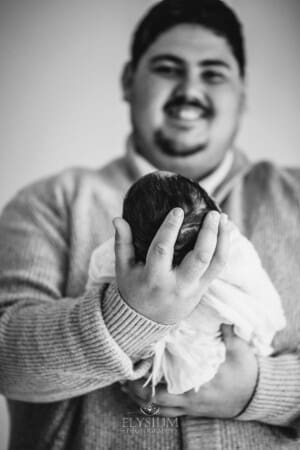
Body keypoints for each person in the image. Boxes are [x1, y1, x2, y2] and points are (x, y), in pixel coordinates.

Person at [1, 0, 300, 449]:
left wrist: (260, 388)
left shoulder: (295, 198)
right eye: (168, 68)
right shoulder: (51, 201)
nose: (189, 90)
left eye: (214, 73)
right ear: (128, 81)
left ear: (242, 93)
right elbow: (6, 359)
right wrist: (130, 317)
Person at [86, 171, 286, 396]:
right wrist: (133, 314)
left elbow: (257, 295)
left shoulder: (237, 250)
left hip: (224, 353)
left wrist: (260, 388)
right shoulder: (67, 196)